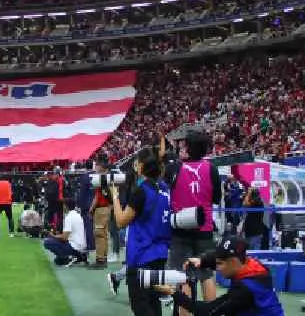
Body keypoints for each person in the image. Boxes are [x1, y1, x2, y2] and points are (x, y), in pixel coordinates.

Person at [164, 133, 221, 314]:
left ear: (188, 148)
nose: (180, 149)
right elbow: (217, 198)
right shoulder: (211, 168)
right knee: (207, 274)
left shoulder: (174, 169)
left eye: (183, 146)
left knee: (183, 277)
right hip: (205, 228)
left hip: (181, 229)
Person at [153, 237, 285, 315]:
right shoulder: (253, 265)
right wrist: (202, 261)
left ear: (233, 262)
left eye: (219, 264)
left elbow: (205, 311)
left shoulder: (244, 291)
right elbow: (221, 259)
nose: (217, 269)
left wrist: (172, 292)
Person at [111, 147, 172, 316]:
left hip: (141, 256)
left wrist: (115, 196)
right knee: (154, 304)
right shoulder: (165, 189)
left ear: (142, 165)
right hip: (160, 254)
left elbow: (121, 221)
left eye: (137, 162)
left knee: (142, 307)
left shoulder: (142, 191)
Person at [45, 198, 89, 266]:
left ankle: (67, 257)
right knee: (58, 258)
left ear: (66, 206)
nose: (63, 207)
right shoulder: (77, 214)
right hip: (80, 245)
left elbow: (64, 238)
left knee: (47, 242)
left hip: (74, 245)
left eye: (63, 205)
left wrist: (53, 235)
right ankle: (76, 256)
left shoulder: (69, 217)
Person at [90, 158, 114, 268]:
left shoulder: (104, 180)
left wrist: (92, 208)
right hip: (104, 208)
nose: (96, 170)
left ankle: (100, 260)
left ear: (102, 168)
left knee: (100, 234)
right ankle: (102, 258)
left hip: (102, 208)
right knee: (102, 234)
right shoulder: (105, 179)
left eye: (97, 168)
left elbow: (100, 196)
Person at [241, 186, 269, 251]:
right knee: (254, 250)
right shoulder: (259, 202)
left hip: (254, 231)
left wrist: (248, 193)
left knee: (252, 251)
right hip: (254, 230)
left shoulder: (256, 202)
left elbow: (245, 204)